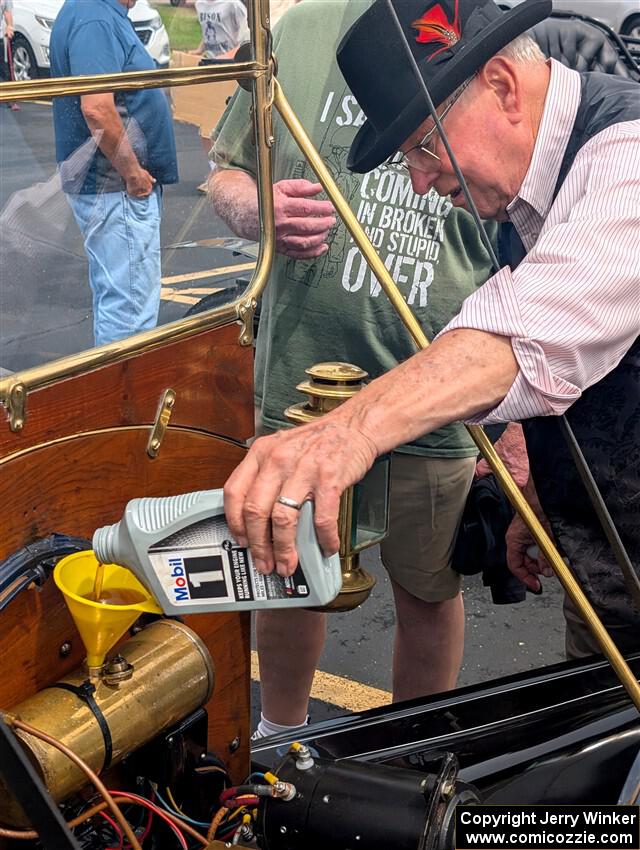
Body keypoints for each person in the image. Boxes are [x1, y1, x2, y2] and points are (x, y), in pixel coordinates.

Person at [223, 0, 640, 661]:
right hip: (606, 577)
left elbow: (526, 330)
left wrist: (349, 431)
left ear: (502, 86)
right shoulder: (537, 174)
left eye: (423, 144)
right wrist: (547, 496)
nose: (418, 181)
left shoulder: (630, 154)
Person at [210, 0, 503, 740]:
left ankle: (412, 754)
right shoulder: (297, 32)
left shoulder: (479, 26)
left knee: (429, 590)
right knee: (289, 581)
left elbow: (528, 243)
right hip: (304, 390)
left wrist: (512, 423)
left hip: (438, 395)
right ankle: (281, 739)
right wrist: (257, 212)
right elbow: (225, 175)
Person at [50, 0, 178, 347]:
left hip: (111, 186)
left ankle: (116, 396)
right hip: (115, 186)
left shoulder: (96, 12)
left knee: (120, 302)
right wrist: (133, 173)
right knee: (130, 314)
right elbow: (97, 107)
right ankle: (124, 400)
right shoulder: (95, 16)